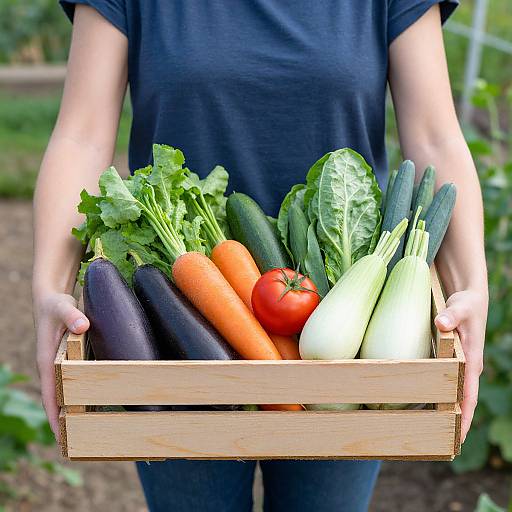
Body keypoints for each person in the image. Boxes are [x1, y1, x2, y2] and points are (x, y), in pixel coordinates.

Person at [32, 1, 488, 511]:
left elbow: (436, 137)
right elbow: (81, 137)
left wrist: (473, 283)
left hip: (346, 327)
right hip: (178, 325)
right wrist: (49, 288)